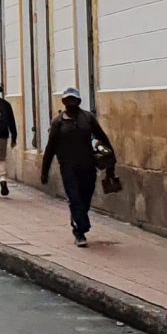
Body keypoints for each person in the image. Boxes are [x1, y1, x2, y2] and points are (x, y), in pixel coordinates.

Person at [39, 88, 117, 245]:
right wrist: (44, 171)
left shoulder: (88, 118)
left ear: (79, 102)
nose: (71, 103)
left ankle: (79, 219)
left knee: (86, 197)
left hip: (88, 166)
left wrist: (110, 164)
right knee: (74, 197)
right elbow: (50, 148)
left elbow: (102, 139)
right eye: (68, 100)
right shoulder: (58, 122)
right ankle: (80, 230)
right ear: (64, 102)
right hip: (68, 167)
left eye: (74, 100)